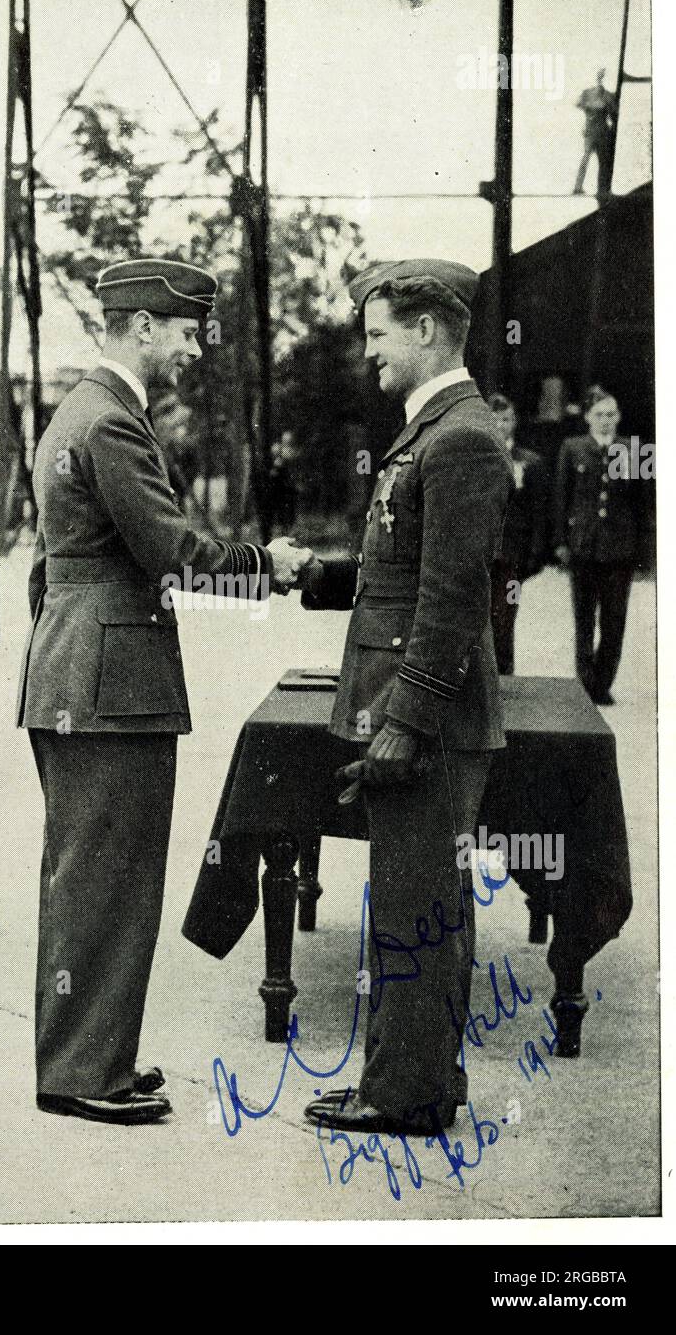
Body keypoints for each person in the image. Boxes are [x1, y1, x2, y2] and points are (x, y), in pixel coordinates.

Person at [17, 256, 310, 1126]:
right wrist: (269, 565)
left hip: (83, 674)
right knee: (104, 875)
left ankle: (91, 1056)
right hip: (111, 685)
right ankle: (80, 1073)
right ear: (141, 326)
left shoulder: (83, 410)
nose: (192, 350)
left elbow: (54, 570)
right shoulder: (110, 422)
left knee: (92, 873)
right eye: (185, 332)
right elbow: (173, 553)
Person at [297, 258, 514, 1137]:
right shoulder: (435, 429)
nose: (369, 354)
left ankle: (406, 1095)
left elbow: (452, 599)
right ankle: (409, 1077)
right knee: (412, 899)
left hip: (428, 720)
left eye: (379, 335)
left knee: (416, 904)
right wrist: (316, 575)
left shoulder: (457, 436)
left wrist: (405, 719)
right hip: (420, 713)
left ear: (426, 331)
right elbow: (403, 569)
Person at [554, 393, 641, 704]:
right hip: (584, 547)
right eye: (600, 414)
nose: (606, 420)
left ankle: (602, 683)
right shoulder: (573, 448)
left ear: (618, 417)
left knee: (614, 620)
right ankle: (585, 682)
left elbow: (642, 503)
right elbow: (562, 498)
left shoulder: (631, 450)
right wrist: (562, 542)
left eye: (612, 414)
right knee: (584, 617)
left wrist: (642, 548)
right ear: (588, 416)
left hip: (620, 549)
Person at [488, 393, 549, 674]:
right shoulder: (477, 458)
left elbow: (538, 511)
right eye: (496, 419)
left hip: (512, 555)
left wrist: (535, 553)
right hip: (481, 551)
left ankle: (504, 673)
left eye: (507, 419)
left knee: (505, 616)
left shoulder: (530, 462)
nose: (502, 425)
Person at [573, 68, 618, 200]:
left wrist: (589, 108)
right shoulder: (605, 95)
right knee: (599, 160)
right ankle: (597, 189)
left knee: (593, 159)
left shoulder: (591, 94)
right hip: (598, 131)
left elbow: (579, 104)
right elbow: (613, 113)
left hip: (595, 131)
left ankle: (584, 187)